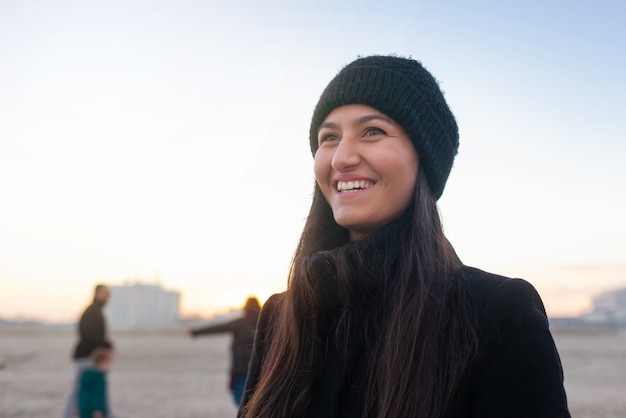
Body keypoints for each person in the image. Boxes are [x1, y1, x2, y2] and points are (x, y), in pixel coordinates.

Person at [239, 55, 571, 417]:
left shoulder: (497, 314)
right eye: (329, 137)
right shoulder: (280, 318)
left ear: (423, 160)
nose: (341, 158)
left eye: (372, 132)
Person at [188, 296, 261, 406]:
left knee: (242, 404)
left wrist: (196, 332)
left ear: (245, 308)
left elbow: (218, 328)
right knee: (256, 404)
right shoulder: (266, 324)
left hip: (240, 369)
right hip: (260, 371)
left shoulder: (240, 323)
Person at [63, 284, 113, 418]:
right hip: (87, 357)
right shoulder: (92, 311)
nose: (109, 296)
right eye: (106, 293)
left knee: (86, 389)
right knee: (80, 390)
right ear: (97, 293)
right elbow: (88, 335)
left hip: (90, 356)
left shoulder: (95, 310)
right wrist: (106, 345)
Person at [78, 346, 114, 418]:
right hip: (95, 411)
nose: (109, 366)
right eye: (108, 364)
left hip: (84, 408)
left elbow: (80, 393)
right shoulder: (99, 378)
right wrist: (97, 409)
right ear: (102, 363)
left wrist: (77, 407)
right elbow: (98, 394)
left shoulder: (85, 376)